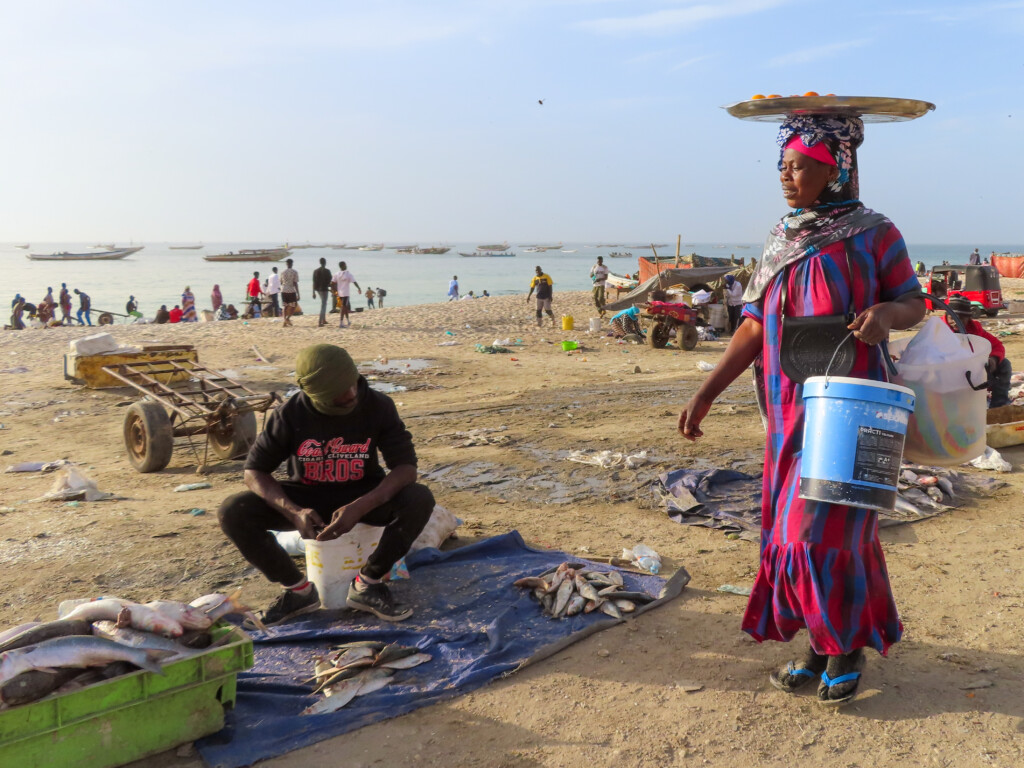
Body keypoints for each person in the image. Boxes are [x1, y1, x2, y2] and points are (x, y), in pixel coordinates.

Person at [679, 110, 926, 706]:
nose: (788, 178)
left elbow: (912, 302)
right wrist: (706, 392)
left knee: (829, 527)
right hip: (789, 406)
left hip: (855, 401)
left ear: (835, 169)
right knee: (791, 529)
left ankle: (844, 648)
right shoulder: (782, 237)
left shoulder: (876, 233)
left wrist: (887, 316)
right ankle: (823, 642)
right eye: (783, 167)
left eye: (802, 167)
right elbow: (754, 324)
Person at [217, 344, 435, 625]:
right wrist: (293, 511)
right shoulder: (289, 414)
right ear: (313, 394)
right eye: (338, 395)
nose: (351, 395)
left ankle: (367, 583)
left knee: (419, 498)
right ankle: (297, 591)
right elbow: (254, 471)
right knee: (234, 510)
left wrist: (361, 506)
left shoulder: (378, 406)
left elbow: (405, 468)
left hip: (363, 494)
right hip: (307, 498)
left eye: (353, 384)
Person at [946, 297, 1011, 407]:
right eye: (951, 317)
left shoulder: (975, 330)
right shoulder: (938, 329)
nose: (955, 321)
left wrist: (993, 359)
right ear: (946, 315)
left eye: (961, 319)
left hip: (974, 374)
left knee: (1004, 364)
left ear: (969, 318)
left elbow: (997, 345)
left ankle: (999, 406)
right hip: (948, 377)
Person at [332, 261, 359, 328]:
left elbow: (332, 283)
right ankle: (341, 323)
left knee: (345, 307)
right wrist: (359, 288)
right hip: (346, 293)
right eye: (345, 265)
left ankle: (348, 321)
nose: (346, 266)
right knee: (343, 307)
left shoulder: (337, 274)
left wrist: (334, 291)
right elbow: (354, 282)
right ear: (343, 266)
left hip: (340, 293)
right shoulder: (348, 274)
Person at [312, 258, 333, 327]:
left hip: (318, 290)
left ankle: (323, 319)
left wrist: (313, 292)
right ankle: (320, 321)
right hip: (324, 289)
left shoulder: (315, 271)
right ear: (325, 263)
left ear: (320, 262)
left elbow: (314, 282)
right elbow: (331, 282)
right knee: (323, 305)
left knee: (324, 303)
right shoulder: (327, 271)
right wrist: (332, 289)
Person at [280, 259, 300, 327]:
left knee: (285, 306)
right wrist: (298, 293)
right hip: (291, 290)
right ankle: (287, 319)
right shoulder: (294, 272)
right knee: (294, 305)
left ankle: (285, 320)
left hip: (283, 290)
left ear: (286, 264)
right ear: (292, 264)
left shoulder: (282, 272)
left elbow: (281, 282)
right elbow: (295, 283)